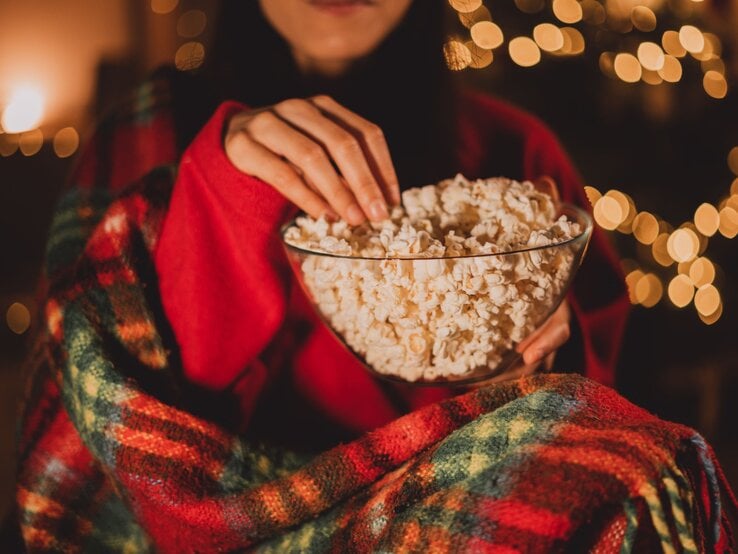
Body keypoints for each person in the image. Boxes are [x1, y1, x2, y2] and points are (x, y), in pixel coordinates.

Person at [11, 1, 735, 552]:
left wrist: (545, 357)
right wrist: (221, 186)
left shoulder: (514, 151)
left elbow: (589, 389)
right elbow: (128, 411)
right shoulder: (143, 141)